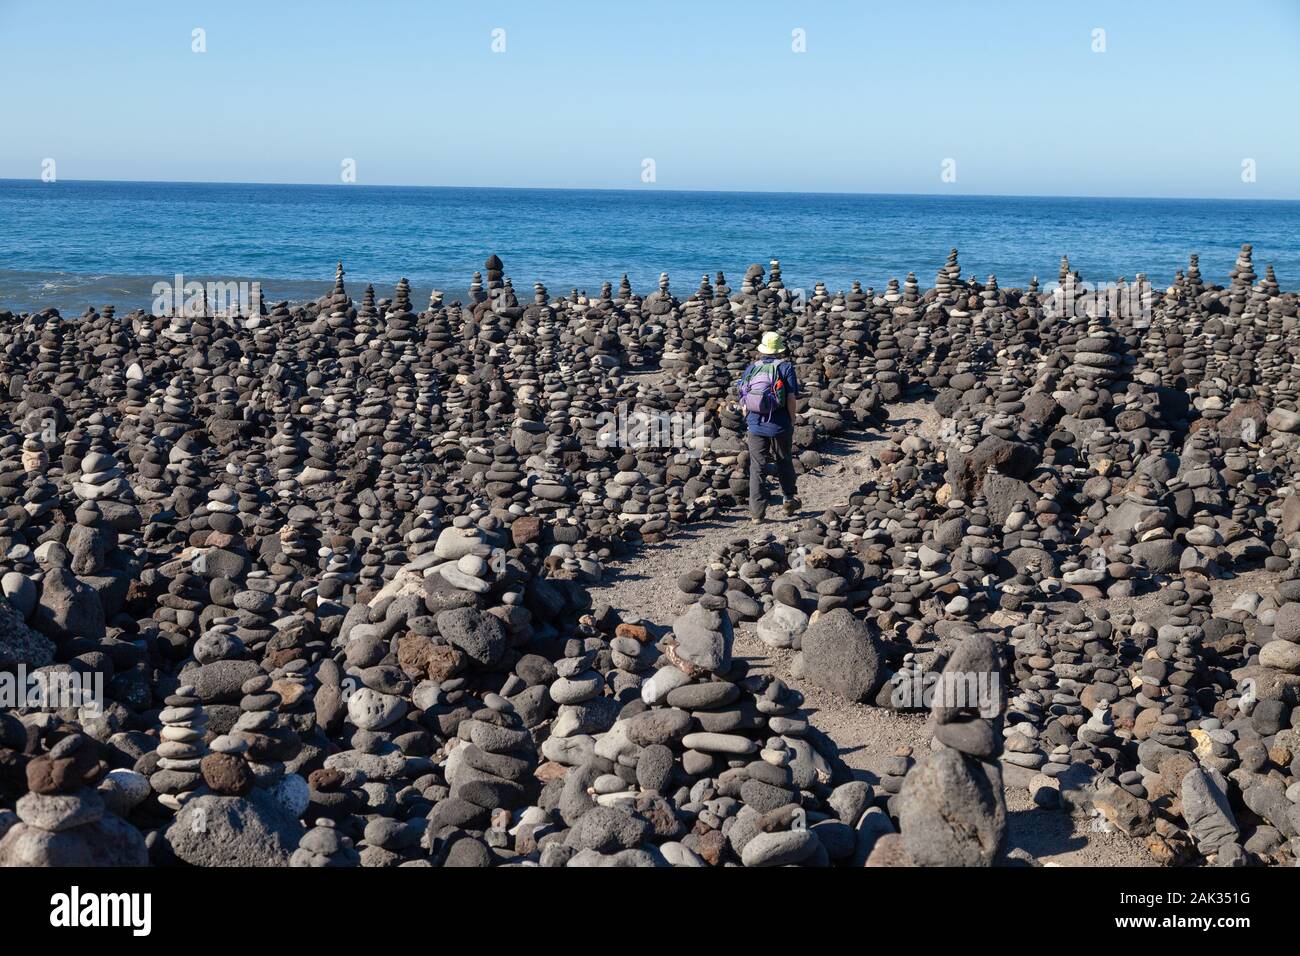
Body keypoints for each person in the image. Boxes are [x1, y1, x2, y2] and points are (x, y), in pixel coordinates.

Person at [737, 331, 802, 521]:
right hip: (779, 423)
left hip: (755, 424)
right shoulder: (785, 367)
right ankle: (789, 499)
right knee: (784, 460)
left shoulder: (752, 368)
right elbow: (790, 397)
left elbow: (743, 395)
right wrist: (792, 419)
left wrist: (748, 417)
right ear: (779, 350)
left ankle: (757, 513)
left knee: (757, 466)